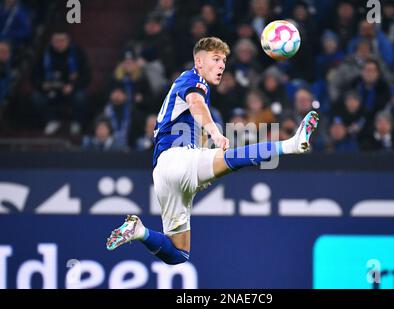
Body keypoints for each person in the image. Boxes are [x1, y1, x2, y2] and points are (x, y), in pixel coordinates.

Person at [106, 37, 319, 265]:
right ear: (198, 61)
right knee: (235, 158)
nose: (221, 66)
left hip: (162, 172)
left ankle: (140, 231)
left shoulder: (189, 85)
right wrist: (215, 133)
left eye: (224, 61)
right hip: (179, 159)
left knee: (178, 255)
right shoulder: (193, 79)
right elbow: (196, 103)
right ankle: (291, 144)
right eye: (215, 59)